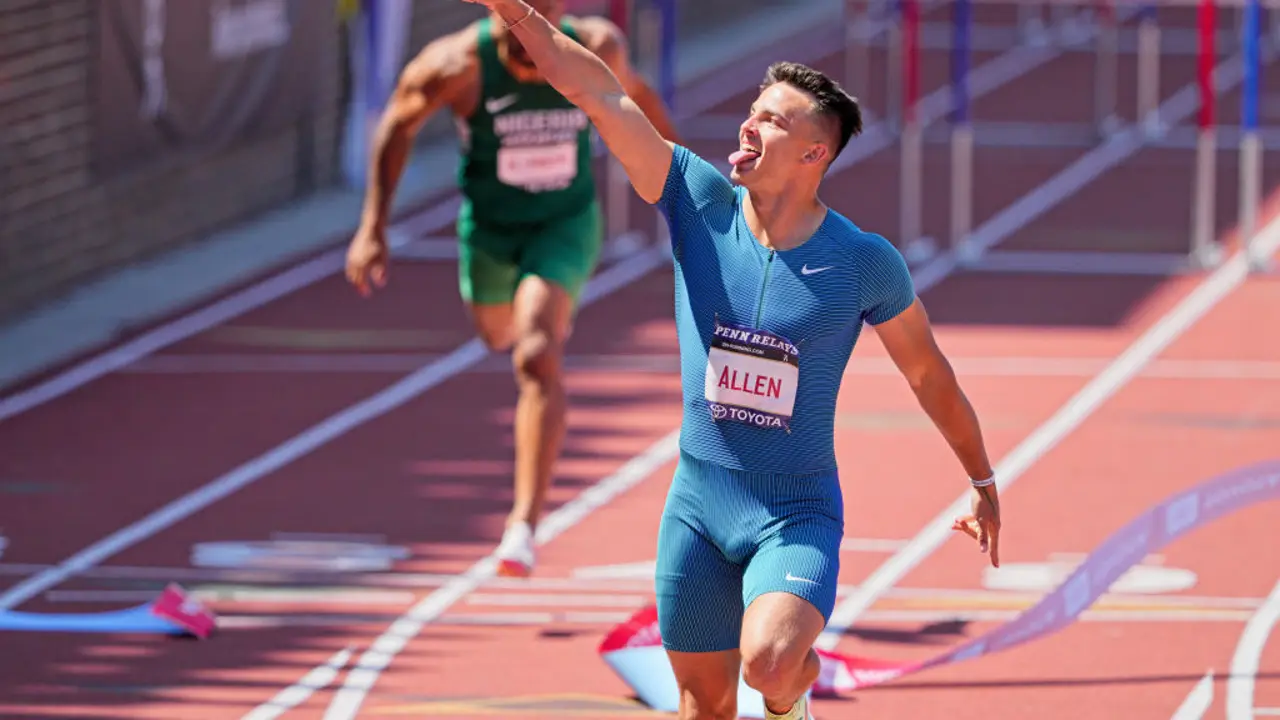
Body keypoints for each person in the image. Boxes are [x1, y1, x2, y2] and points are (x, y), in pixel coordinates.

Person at [461, 1, 1003, 718]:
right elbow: (598, 92)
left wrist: (982, 478)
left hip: (793, 510)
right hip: (697, 505)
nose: (749, 124)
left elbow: (929, 373)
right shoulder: (696, 200)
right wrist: (517, 13)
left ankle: (796, 694)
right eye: (754, 109)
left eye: (773, 120)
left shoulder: (864, 261)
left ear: (816, 154)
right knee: (702, 706)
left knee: (771, 665)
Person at [344, 0, 680, 578]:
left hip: (564, 223)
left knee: (536, 351)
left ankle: (522, 524)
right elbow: (398, 122)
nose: (535, 60)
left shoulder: (596, 48)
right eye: (523, 46)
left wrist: (688, 198)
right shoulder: (456, 64)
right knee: (496, 332)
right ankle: (532, 319)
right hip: (491, 231)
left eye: (546, 39)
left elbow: (639, 99)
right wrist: (373, 226)